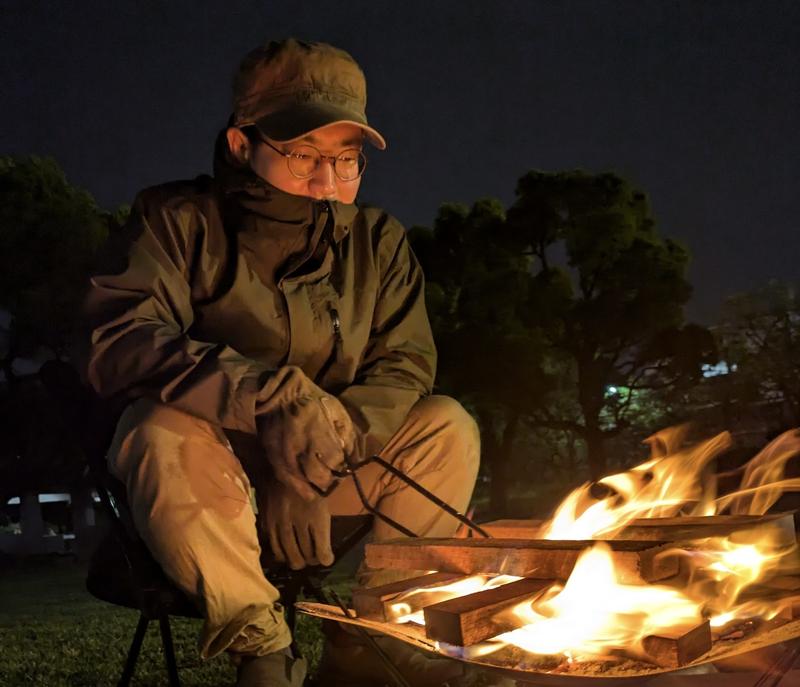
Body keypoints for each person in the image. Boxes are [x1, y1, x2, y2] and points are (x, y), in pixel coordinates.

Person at [77, 38, 480, 687]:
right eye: (303, 156)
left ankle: (378, 633)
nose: (327, 181)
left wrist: (312, 468)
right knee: (154, 427)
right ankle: (263, 647)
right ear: (242, 145)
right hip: (207, 486)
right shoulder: (177, 222)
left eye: (346, 160)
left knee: (445, 425)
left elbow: (403, 366)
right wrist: (269, 402)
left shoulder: (377, 242)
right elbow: (119, 340)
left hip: (333, 478)